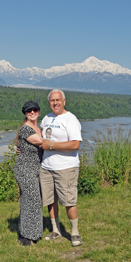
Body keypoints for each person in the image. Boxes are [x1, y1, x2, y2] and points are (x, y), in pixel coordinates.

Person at [39, 89, 83, 247]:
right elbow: (40, 137)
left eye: (58, 100)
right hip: (46, 167)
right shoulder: (46, 118)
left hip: (66, 167)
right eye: (52, 100)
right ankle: (56, 230)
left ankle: (75, 233)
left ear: (64, 101)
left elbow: (75, 144)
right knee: (51, 200)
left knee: (69, 201)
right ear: (49, 103)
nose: (55, 103)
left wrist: (51, 145)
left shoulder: (70, 119)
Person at [14, 101, 44, 246]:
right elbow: (42, 143)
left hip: (36, 169)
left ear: (38, 111)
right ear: (25, 113)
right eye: (28, 111)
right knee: (30, 200)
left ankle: (35, 233)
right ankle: (25, 235)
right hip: (25, 169)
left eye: (35, 109)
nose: (32, 112)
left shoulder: (39, 128)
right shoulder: (26, 129)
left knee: (36, 201)